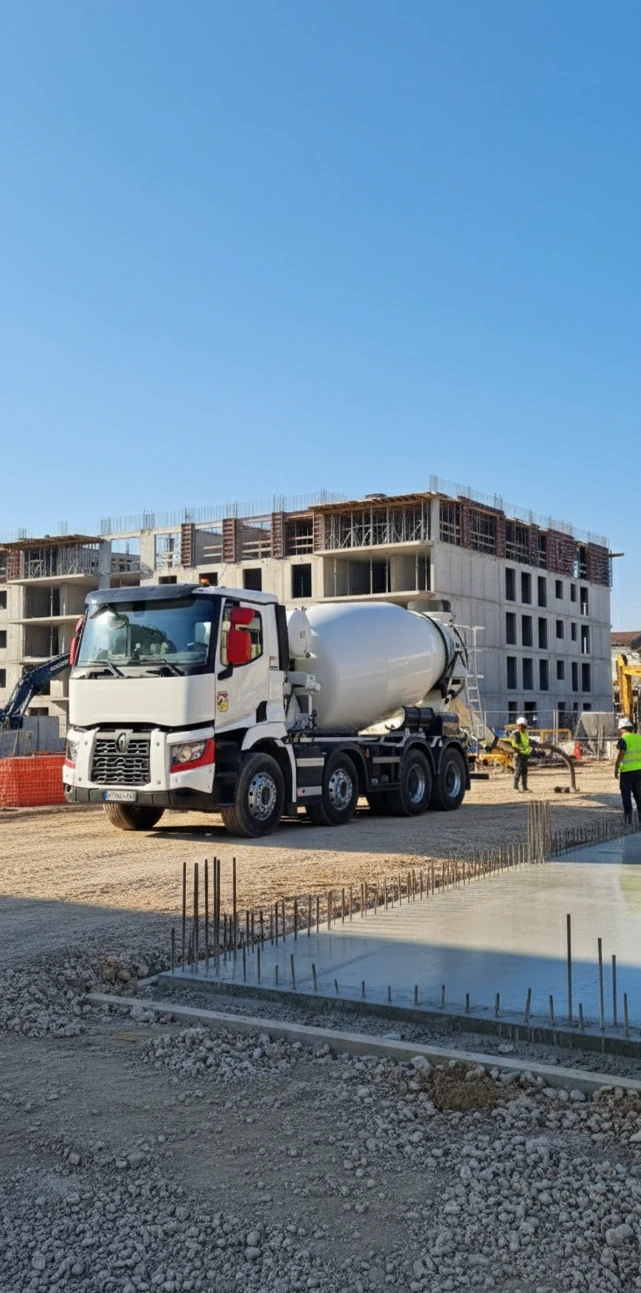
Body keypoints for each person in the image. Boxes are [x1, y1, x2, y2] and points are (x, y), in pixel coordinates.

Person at [614, 717, 641, 823]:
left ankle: (628, 819)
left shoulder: (623, 739)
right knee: (639, 795)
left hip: (627, 772)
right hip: (639, 771)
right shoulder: (639, 738)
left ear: (622, 729)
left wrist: (616, 767)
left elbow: (621, 754)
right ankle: (640, 818)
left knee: (626, 795)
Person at [510, 716, 532, 792]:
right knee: (518, 770)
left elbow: (526, 743)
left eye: (524, 726)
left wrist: (528, 750)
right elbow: (516, 744)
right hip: (518, 754)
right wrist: (523, 750)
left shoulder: (525, 733)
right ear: (518, 726)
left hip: (525, 754)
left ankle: (525, 787)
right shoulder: (516, 733)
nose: (523, 727)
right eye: (522, 726)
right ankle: (515, 787)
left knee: (525, 771)